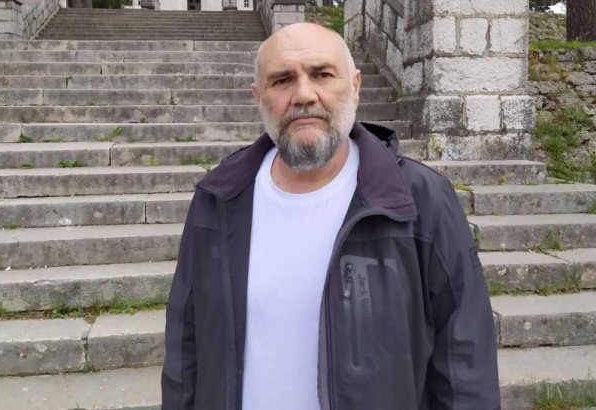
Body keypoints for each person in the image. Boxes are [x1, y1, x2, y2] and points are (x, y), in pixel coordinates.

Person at [161, 22, 500, 410]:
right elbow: (185, 346)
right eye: (282, 80)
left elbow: (463, 359)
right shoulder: (219, 198)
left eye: (322, 74)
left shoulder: (420, 199)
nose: (304, 95)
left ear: (354, 86)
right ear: (259, 97)